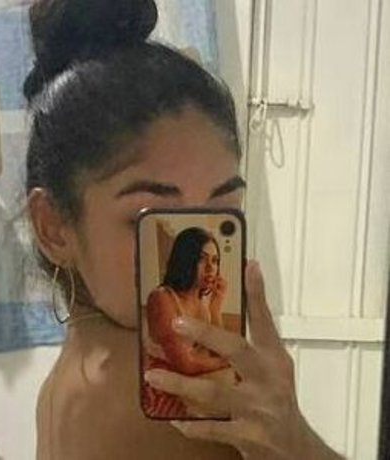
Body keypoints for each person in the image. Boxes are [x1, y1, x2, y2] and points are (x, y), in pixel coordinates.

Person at [24, 0, 345, 458]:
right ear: (53, 226)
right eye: (153, 218)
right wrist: (295, 442)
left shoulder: (67, 384)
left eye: (222, 211)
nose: (196, 253)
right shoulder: (167, 401)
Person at [142, 226, 237, 419]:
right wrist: (227, 362)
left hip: (191, 383)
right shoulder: (161, 298)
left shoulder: (201, 303)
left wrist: (215, 307)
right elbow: (185, 364)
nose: (210, 268)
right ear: (185, 260)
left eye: (215, 260)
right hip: (164, 389)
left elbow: (216, 351)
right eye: (202, 259)